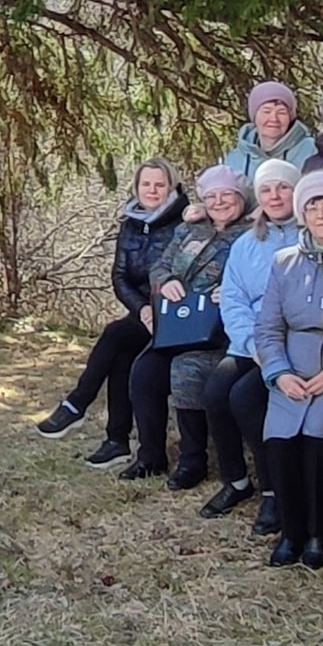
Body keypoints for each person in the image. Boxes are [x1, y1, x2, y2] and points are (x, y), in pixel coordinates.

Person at [38, 160, 185, 464]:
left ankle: (77, 404)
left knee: (115, 334)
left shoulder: (184, 224)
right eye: (146, 184)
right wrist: (142, 309)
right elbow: (119, 277)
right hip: (141, 313)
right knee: (121, 354)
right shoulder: (130, 224)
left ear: (172, 187)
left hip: (174, 313)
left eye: (160, 185)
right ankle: (116, 441)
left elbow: (184, 276)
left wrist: (155, 309)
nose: (152, 190)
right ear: (136, 187)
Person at [253, 168, 323, 567]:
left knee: (317, 441)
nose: (320, 214)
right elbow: (267, 327)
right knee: (279, 441)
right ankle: (291, 532)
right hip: (292, 369)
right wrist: (279, 373)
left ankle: (319, 532)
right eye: (312, 207)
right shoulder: (284, 262)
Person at [122, 166, 251, 484]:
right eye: (212, 196)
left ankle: (193, 459)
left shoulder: (251, 234)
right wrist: (165, 281)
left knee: (187, 369)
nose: (219, 202)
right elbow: (160, 265)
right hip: (179, 325)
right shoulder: (190, 229)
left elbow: (262, 279)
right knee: (144, 371)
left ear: (242, 197)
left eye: (227, 195)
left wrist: (235, 291)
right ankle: (150, 455)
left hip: (219, 333)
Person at [203, 157, 300, 525]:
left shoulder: (310, 235)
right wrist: (250, 343)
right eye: (266, 190)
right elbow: (233, 299)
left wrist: (271, 349)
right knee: (216, 392)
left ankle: (274, 489)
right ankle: (236, 480)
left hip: (292, 341)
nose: (275, 196)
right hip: (251, 342)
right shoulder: (246, 244)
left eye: (283, 187)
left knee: (245, 398)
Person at [220, 82, 317, 182]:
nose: (274, 119)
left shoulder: (310, 151)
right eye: (266, 111)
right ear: (254, 116)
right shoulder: (236, 158)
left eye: (281, 112)